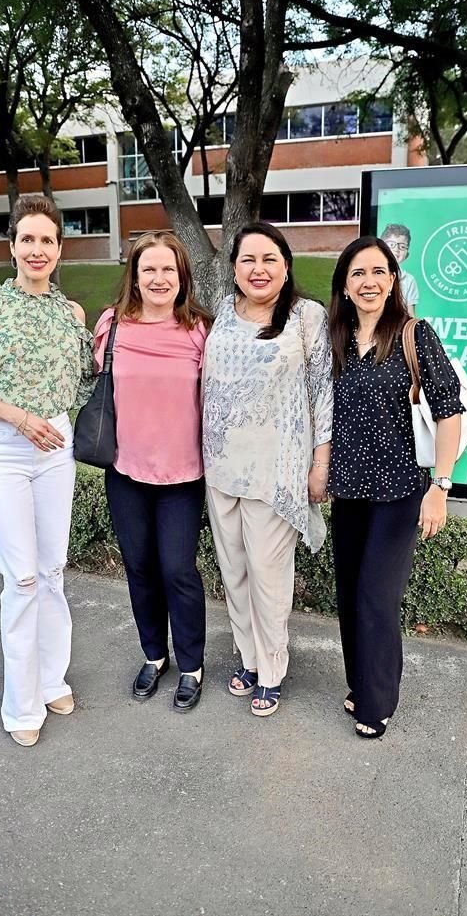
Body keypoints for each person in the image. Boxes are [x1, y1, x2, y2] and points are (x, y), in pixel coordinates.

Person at [0, 194, 95, 747]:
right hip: (6, 448)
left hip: (56, 449)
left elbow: (84, 380)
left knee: (53, 570)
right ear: (11, 246)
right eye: (27, 239)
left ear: (59, 250)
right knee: (22, 577)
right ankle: (21, 702)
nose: (37, 250)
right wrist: (20, 417)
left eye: (47, 240)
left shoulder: (70, 313)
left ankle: (52, 676)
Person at [328, 235, 462, 739]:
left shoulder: (413, 334)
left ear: (392, 281)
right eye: (359, 273)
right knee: (348, 595)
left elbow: (448, 410)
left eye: (379, 272)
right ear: (344, 283)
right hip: (349, 492)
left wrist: (440, 487)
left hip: (400, 490)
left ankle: (377, 703)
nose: (369, 281)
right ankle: (361, 684)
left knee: (376, 598)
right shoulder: (335, 339)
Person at [202, 221, 332, 717]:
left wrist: (320, 462)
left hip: (275, 473)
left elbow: (323, 392)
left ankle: (272, 669)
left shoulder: (306, 317)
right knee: (234, 572)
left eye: (269, 259)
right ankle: (249, 659)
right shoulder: (221, 314)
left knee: (267, 575)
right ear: (234, 269)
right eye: (248, 260)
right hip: (220, 469)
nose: (258, 269)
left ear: (286, 265)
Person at [94, 232, 212, 712]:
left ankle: (191, 664)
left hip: (183, 476)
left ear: (182, 276)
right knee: (139, 568)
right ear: (135, 277)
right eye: (149, 270)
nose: (159, 278)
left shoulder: (201, 329)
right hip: (126, 471)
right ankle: (153, 654)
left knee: (178, 571)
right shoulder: (113, 325)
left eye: (169, 269)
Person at [381, 223, 419, 316]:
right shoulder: (371, 274)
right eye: (391, 244)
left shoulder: (409, 280)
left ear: (407, 254)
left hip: (398, 328)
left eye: (402, 246)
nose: (397, 249)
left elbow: (411, 314)